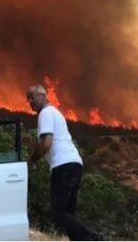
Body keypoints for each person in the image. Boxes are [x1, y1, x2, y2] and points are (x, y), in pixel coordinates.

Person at [26, 84, 101, 241]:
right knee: (68, 215)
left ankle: (94, 239)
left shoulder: (46, 113)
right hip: (74, 164)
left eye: (32, 97)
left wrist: (32, 161)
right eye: (28, 99)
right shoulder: (55, 113)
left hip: (63, 166)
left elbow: (46, 143)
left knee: (59, 214)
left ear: (42, 95)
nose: (30, 102)